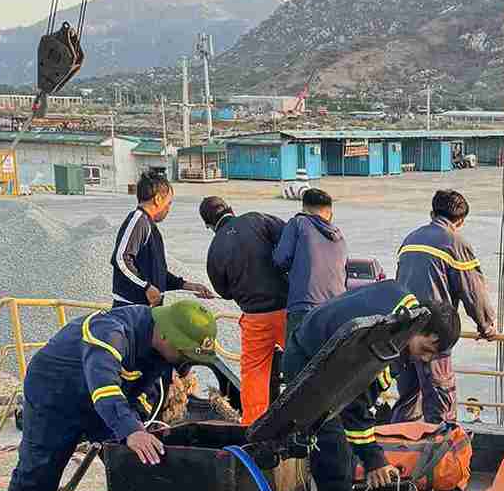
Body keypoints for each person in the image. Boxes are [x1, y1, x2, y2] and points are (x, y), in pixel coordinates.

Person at [6, 300, 224, 491]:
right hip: (55, 396)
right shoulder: (110, 331)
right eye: (184, 354)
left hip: (106, 403)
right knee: (40, 467)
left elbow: (146, 392)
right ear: (165, 335)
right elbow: (104, 386)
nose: (186, 363)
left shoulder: (161, 347)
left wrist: (139, 424)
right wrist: (130, 429)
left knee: (135, 457)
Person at [281, 280, 461, 491]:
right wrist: (375, 461)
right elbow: (356, 407)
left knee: (346, 446)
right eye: (426, 349)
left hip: (318, 342)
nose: (425, 360)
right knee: (333, 451)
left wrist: (369, 455)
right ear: (418, 329)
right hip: (308, 362)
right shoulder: (380, 343)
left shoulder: (403, 303)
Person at [392, 190, 497, 423]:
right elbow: (472, 290)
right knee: (440, 405)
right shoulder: (455, 242)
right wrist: (486, 325)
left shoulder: (410, 239)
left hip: (403, 333)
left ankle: (396, 450)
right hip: (432, 334)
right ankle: (441, 454)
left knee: (408, 399)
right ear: (459, 221)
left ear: (432, 213)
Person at [201, 196, 288, 425]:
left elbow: (224, 291)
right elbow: (290, 238)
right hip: (287, 311)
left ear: (208, 225)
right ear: (231, 209)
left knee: (254, 373)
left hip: (254, 318)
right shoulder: (257, 220)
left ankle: (253, 425)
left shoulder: (214, 249)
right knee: (306, 362)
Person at [111, 170, 212, 306]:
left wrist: (188, 286)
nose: (169, 208)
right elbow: (120, 259)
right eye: (169, 203)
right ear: (158, 199)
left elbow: (156, 273)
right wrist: (146, 287)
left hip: (148, 309)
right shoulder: (138, 220)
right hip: (131, 310)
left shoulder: (149, 224)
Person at [273, 188, 348, 349]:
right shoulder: (339, 235)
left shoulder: (298, 223)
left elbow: (280, 260)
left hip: (305, 306)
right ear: (330, 213)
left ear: (304, 208)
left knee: (296, 365)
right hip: (336, 308)